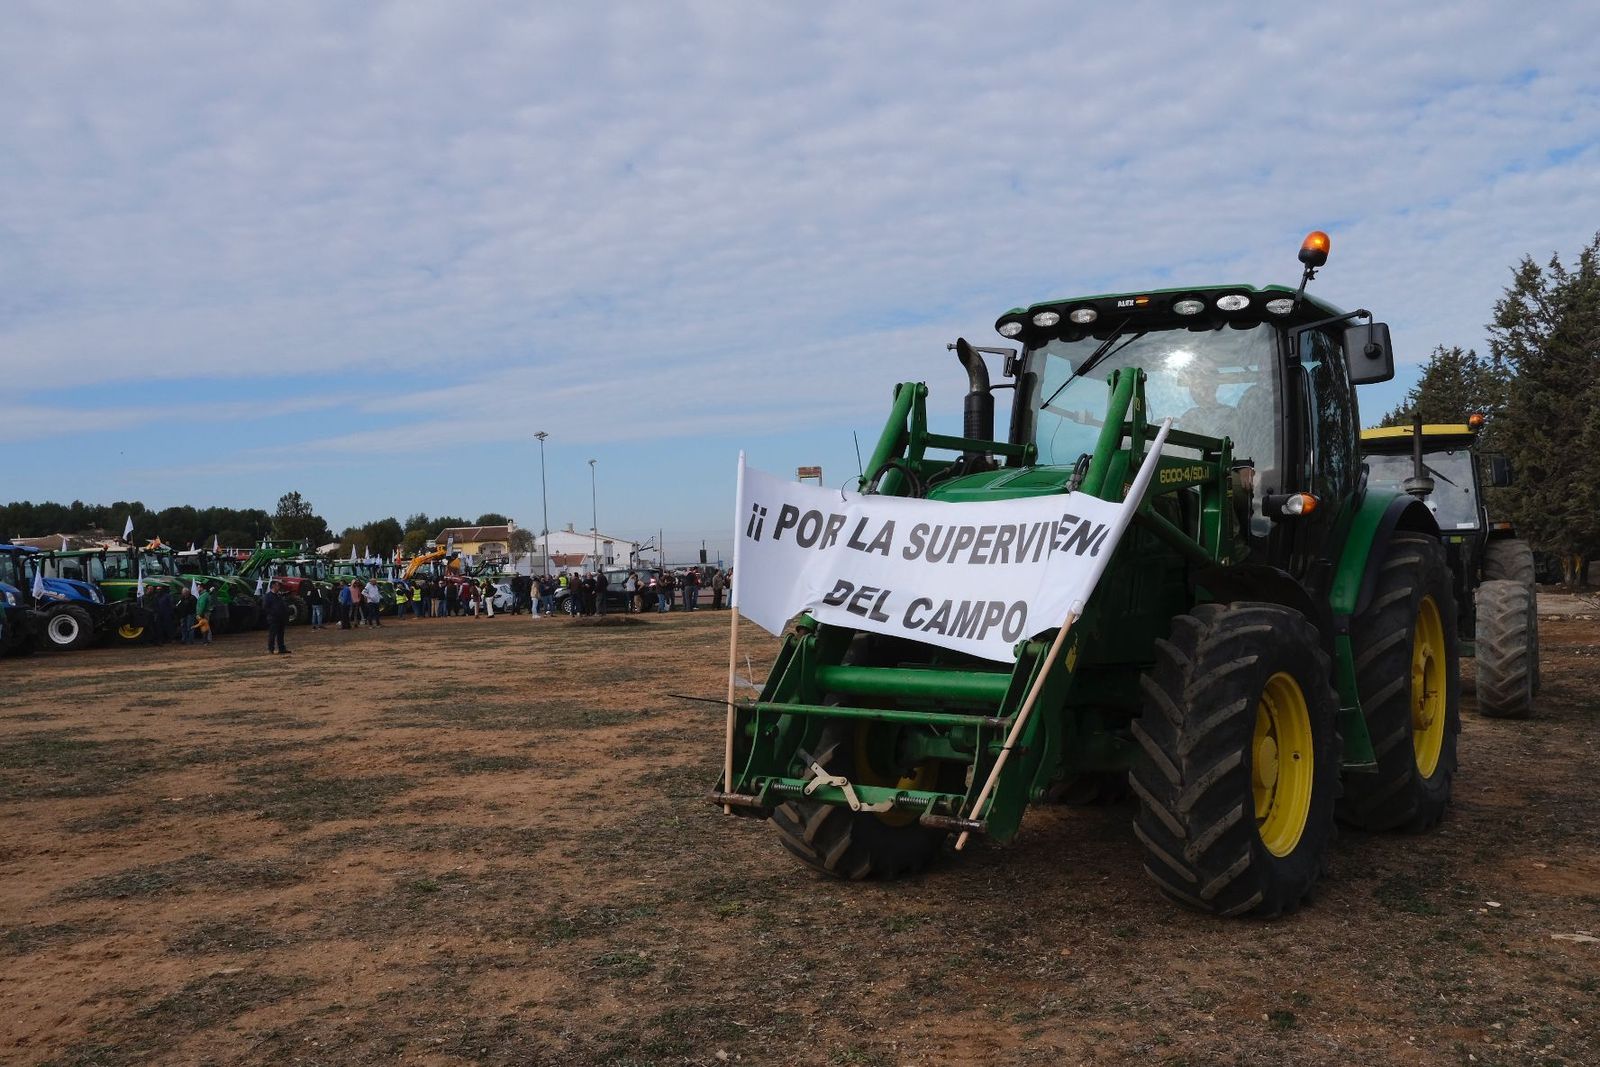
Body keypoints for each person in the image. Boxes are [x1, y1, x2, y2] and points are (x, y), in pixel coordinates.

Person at [263, 580, 291, 654]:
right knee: (272, 634)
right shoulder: (268, 596)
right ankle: (271, 649)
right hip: (273, 618)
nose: (279, 587)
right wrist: (273, 613)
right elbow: (265, 607)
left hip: (281, 618)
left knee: (281, 634)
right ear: (273, 586)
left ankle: (281, 648)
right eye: (277, 585)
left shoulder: (278, 595)